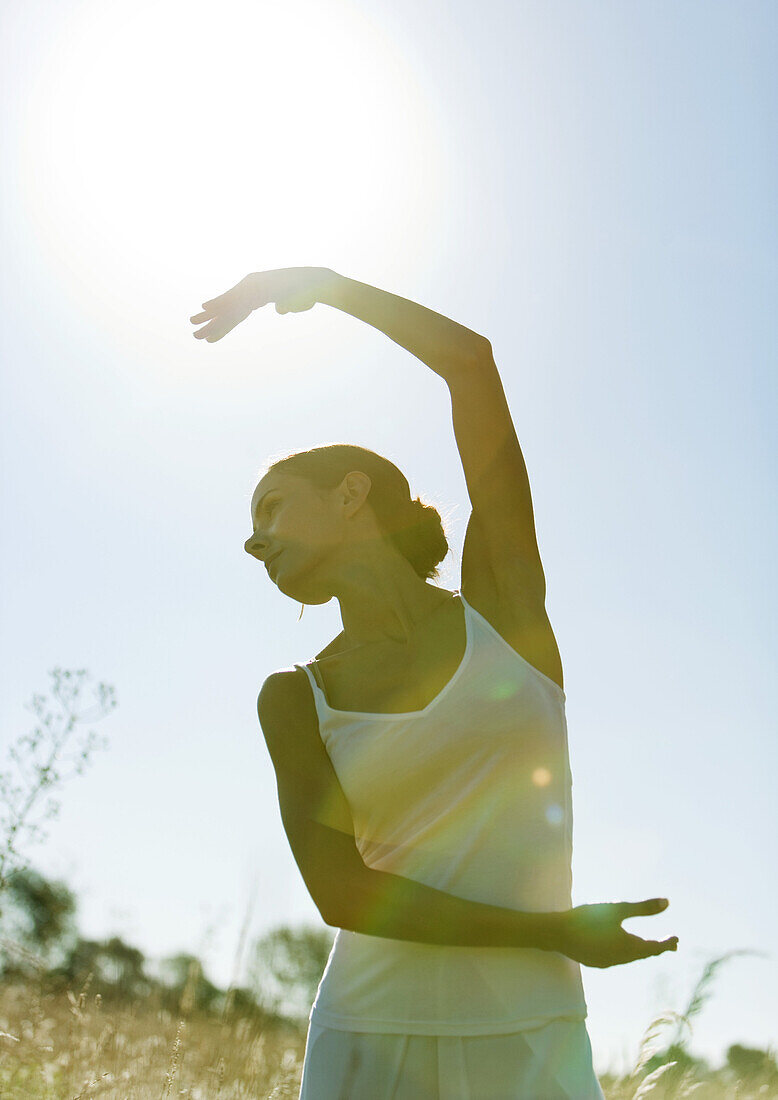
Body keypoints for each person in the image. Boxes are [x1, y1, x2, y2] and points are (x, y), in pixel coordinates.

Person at [191, 268, 678, 1099]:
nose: (254, 542)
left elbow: (471, 364)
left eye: (270, 508)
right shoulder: (293, 697)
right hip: (364, 1039)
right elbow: (343, 893)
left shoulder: (506, 612)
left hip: (533, 1038)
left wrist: (323, 284)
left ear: (350, 495)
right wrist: (549, 931)